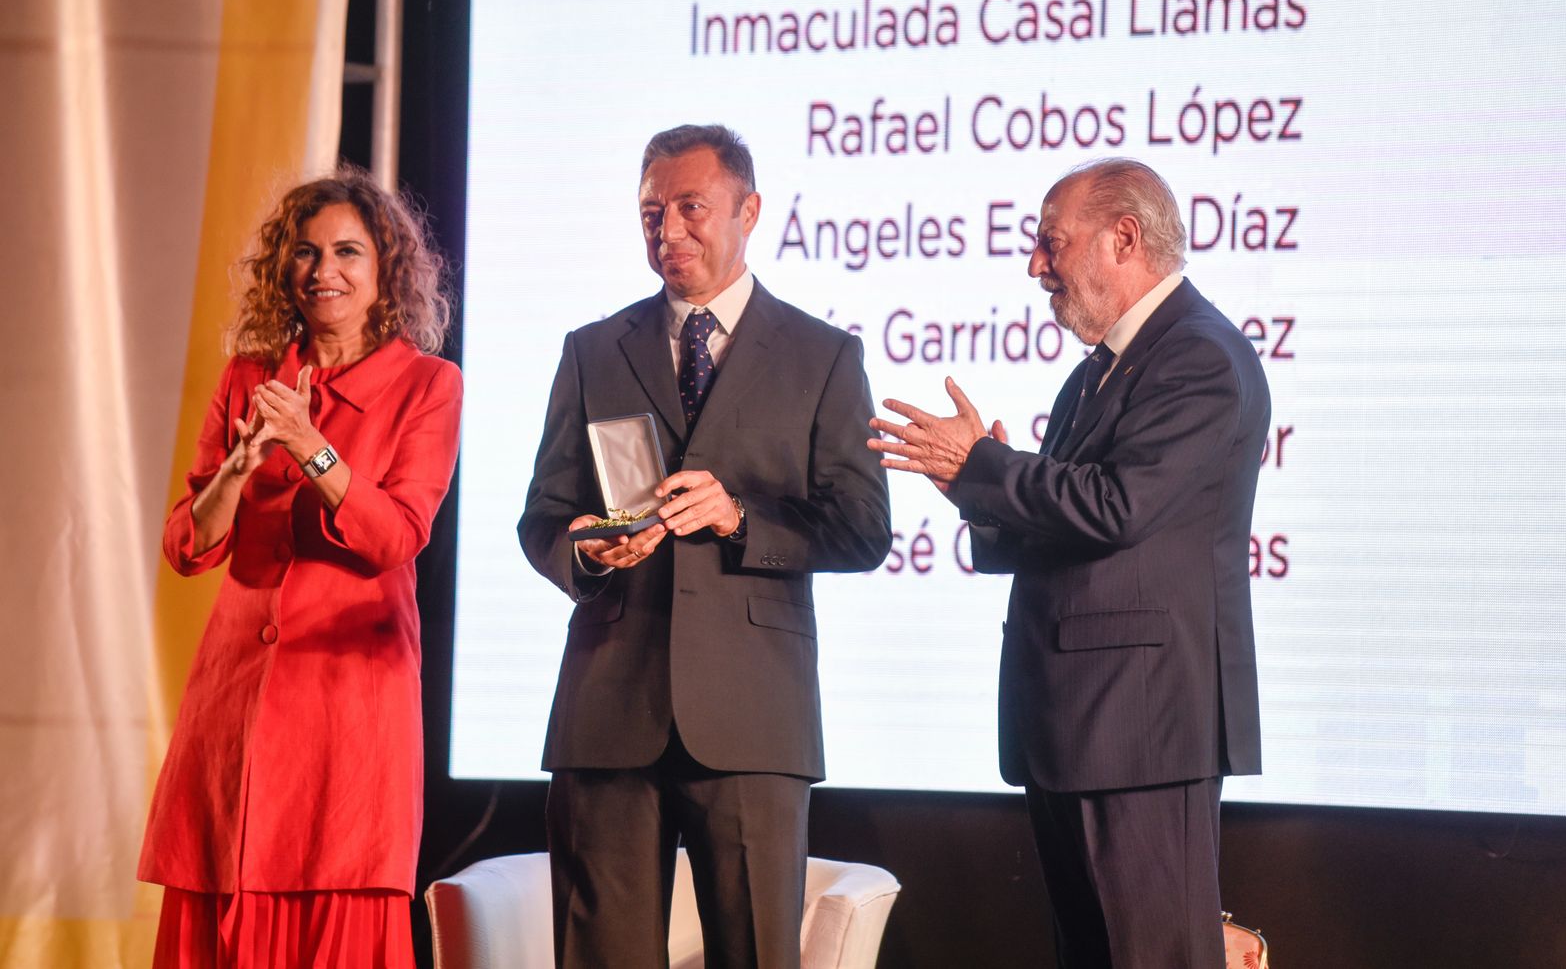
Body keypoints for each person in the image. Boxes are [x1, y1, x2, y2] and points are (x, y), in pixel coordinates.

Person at [869, 157, 1270, 969]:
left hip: (1142, 730)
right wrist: (968, 480)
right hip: (1077, 725)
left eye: (1052, 243)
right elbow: (1061, 527)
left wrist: (984, 464)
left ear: (1125, 238)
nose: (1034, 266)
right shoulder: (1098, 375)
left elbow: (1120, 505)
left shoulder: (1198, 357)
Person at [517, 124, 891, 969]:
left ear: (749, 211)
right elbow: (542, 516)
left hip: (754, 719)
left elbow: (863, 530)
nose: (668, 232)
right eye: (651, 213)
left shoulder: (823, 356)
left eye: (692, 208)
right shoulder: (591, 350)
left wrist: (739, 518)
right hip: (609, 710)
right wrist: (581, 550)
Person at [139, 167, 462, 968]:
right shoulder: (249, 378)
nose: (325, 273)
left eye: (348, 252)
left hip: (348, 723)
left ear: (386, 269)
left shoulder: (427, 385)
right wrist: (240, 468)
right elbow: (187, 547)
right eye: (306, 253)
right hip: (235, 713)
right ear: (284, 269)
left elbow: (396, 537)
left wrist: (312, 447)